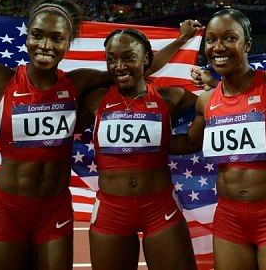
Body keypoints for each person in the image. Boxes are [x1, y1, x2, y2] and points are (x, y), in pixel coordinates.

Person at [0, 0, 201, 269]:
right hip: (8, 208)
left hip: (54, 210)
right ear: (27, 36)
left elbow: (134, 68)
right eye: (38, 36)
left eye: (56, 38)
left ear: (67, 42)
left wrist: (181, 41)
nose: (45, 46)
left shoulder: (79, 83)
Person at [171, 8, 266, 270]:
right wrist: (143, 145)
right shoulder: (206, 101)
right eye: (211, 39)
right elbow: (190, 143)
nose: (218, 47)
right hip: (229, 219)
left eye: (229, 38)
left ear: (247, 43)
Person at [78, 28, 198, 270]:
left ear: (146, 60)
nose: (118, 65)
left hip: (159, 207)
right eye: (111, 59)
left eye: (128, 57)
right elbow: (49, 105)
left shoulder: (171, 98)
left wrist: (213, 82)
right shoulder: (95, 99)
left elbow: (218, 106)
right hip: (111, 211)